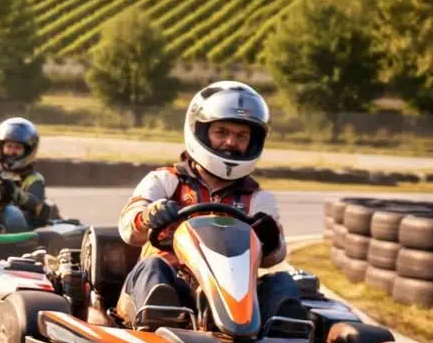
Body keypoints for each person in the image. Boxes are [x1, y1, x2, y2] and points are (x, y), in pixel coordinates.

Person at [116, 80, 305, 325]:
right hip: (173, 284)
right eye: (222, 132)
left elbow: (274, 258)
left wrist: (271, 241)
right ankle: (158, 319)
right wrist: (147, 217)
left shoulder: (258, 199)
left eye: (241, 136)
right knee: (153, 266)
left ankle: (282, 334)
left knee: (282, 282)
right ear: (200, 132)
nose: (231, 143)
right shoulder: (165, 180)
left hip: (231, 297)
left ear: (254, 141)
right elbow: (128, 230)